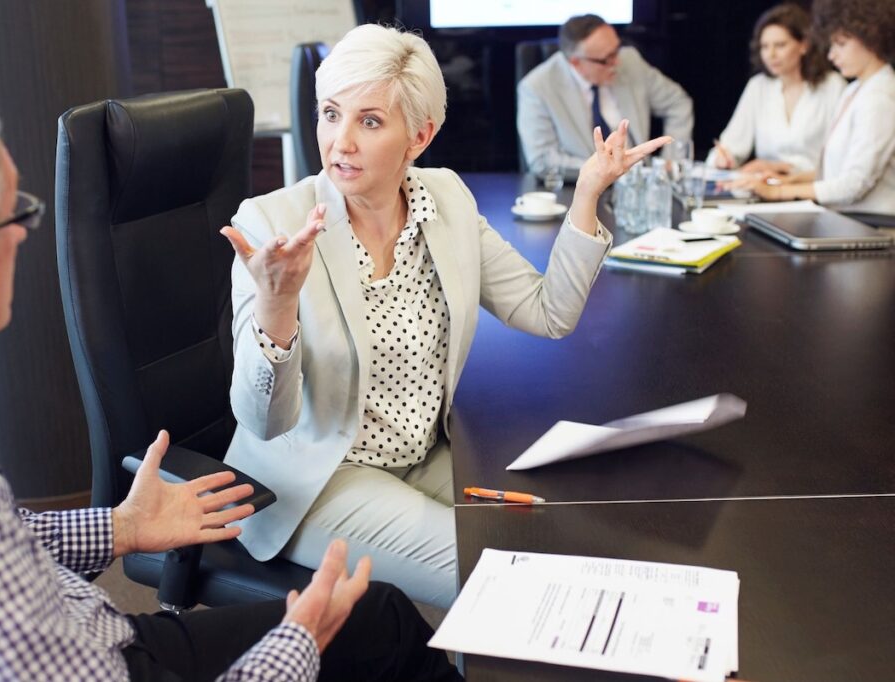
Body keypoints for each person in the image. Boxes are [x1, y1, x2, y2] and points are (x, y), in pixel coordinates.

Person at [0, 67, 462, 682]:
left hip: (87, 622)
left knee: (379, 617)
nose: (24, 234)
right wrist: (297, 644)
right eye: (13, 215)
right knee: (371, 629)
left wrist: (119, 526)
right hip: (105, 659)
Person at [220, 24, 670, 609]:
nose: (341, 142)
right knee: (501, 577)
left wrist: (587, 194)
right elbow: (264, 421)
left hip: (424, 455)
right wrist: (277, 305)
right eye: (330, 114)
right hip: (318, 477)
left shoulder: (447, 200)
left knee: (559, 537)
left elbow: (548, 312)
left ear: (420, 135)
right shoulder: (268, 223)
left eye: (370, 121)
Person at [737, 0, 895, 213]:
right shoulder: (855, 89)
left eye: (841, 44)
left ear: (871, 39)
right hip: (847, 219)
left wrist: (780, 192)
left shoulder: (880, 97)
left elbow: (854, 184)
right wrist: (787, 181)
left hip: (873, 225)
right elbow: (835, 174)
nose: (832, 55)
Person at [516, 13, 692, 178]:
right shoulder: (537, 87)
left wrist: (670, 162)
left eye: (617, 49)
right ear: (576, 62)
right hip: (582, 190)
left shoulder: (629, 60)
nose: (617, 62)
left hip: (641, 183)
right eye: (607, 59)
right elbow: (542, 160)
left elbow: (678, 103)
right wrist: (607, 171)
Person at [708, 3, 846, 175]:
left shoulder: (832, 86)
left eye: (780, 45)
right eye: (765, 47)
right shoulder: (758, 86)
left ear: (804, 45)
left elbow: (841, 162)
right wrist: (723, 159)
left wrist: (781, 168)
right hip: (765, 191)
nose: (771, 55)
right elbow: (730, 145)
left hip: (814, 191)